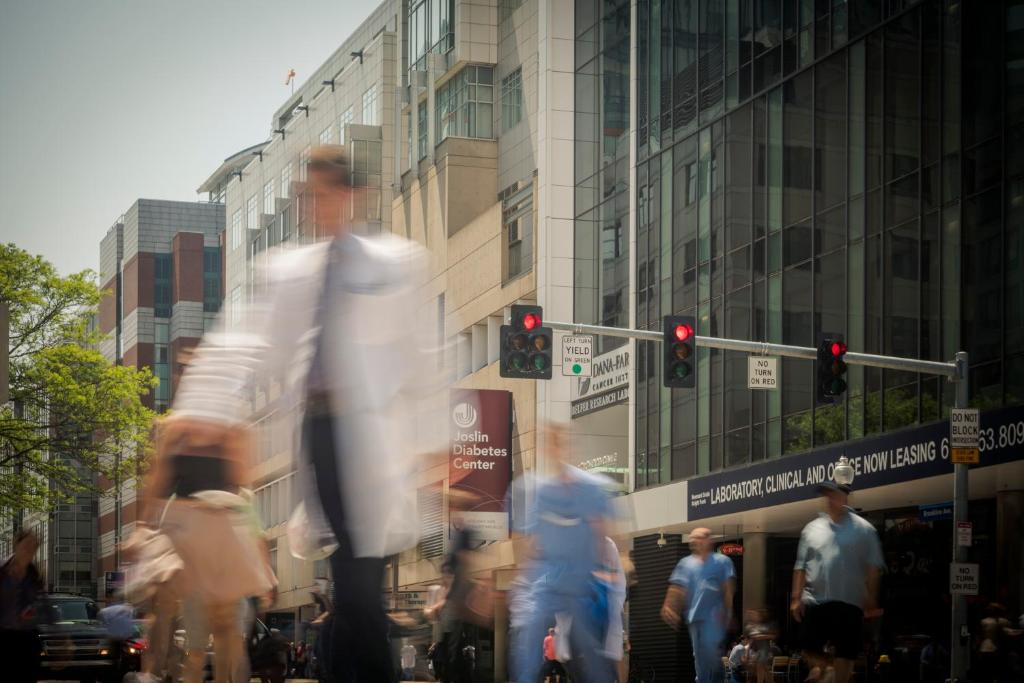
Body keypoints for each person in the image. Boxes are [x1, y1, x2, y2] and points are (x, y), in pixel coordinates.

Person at [175, 144, 446, 683]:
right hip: (319, 429)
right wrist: (201, 402)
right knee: (352, 572)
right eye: (306, 195)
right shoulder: (287, 270)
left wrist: (438, 442)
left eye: (320, 194)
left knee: (357, 576)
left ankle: (353, 671)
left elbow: (426, 352)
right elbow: (248, 340)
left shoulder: (394, 262)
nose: (310, 205)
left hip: (368, 434)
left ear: (352, 195)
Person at [511, 423, 617, 683]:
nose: (558, 448)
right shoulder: (543, 492)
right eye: (553, 443)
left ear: (571, 446)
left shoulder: (591, 487)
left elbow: (602, 528)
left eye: (563, 442)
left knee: (589, 650)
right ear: (548, 448)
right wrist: (523, 580)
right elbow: (534, 540)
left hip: (581, 580)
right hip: (548, 579)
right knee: (530, 636)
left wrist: (609, 571)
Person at [790, 480, 884, 683]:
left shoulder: (864, 530)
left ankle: (837, 675)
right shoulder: (811, 529)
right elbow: (800, 566)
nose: (830, 500)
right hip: (816, 600)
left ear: (845, 497)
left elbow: (873, 567)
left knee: (846, 652)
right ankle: (827, 667)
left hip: (849, 601)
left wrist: (871, 597)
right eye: (827, 495)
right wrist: (796, 598)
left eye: (834, 495)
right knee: (807, 647)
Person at [661, 527, 736, 683]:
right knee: (699, 656)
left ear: (709, 540)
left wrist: (729, 612)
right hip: (695, 618)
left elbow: (728, 588)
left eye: (699, 537)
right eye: (693, 538)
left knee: (711, 652)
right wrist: (669, 605)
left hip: (715, 617)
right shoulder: (685, 563)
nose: (695, 541)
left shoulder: (722, 562)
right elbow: (677, 587)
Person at [0, 529, 43, 683]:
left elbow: (44, 606)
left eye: (34, 547)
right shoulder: (2, 571)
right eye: (26, 545)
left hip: (28, 642)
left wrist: (64, 638)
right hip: (4, 640)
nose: (30, 550)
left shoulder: (35, 575)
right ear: (16, 546)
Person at [743, 608, 777, 683]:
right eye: (750, 615)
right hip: (758, 650)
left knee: (761, 667)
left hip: (765, 650)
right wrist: (747, 653)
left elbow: (773, 636)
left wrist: (761, 636)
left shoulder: (764, 625)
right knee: (764, 669)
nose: (753, 616)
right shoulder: (750, 626)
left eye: (754, 615)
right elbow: (750, 641)